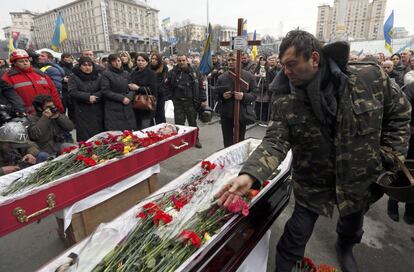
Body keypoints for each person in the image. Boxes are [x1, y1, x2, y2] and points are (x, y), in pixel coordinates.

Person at [215, 30, 411, 272]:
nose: (285, 71)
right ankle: (287, 263)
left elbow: (400, 113)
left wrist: (391, 154)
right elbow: (275, 141)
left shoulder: (368, 77)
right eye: (283, 65)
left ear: (314, 58)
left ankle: (345, 247)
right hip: (312, 183)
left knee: (352, 225)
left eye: (291, 64)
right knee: (295, 235)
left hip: (359, 179)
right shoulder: (286, 99)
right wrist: (249, 175)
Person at [387, 74, 414, 225]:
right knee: (401, 172)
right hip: (411, 139)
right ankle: (393, 203)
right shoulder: (411, 88)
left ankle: (411, 209)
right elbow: (402, 112)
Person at [2, 49, 64, 114]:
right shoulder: (8, 77)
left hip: (49, 113)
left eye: (26, 60)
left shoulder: (40, 74)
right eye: (21, 61)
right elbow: (7, 98)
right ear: (14, 63)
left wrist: (59, 108)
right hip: (27, 116)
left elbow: (54, 92)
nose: (25, 63)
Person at [216, 52, 257, 147]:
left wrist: (244, 96)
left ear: (239, 60)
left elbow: (255, 93)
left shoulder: (249, 76)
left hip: (241, 113)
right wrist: (223, 96)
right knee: (227, 140)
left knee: (240, 140)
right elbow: (216, 94)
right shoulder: (222, 77)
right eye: (229, 60)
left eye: (233, 60)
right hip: (226, 114)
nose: (230, 62)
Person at [164, 54, 206, 148]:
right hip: (178, 102)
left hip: (191, 101)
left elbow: (201, 86)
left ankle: (195, 139)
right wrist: (170, 96)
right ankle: (181, 140)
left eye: (183, 60)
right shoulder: (172, 72)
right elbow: (166, 85)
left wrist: (203, 99)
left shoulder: (195, 72)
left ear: (187, 60)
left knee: (192, 122)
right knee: (179, 123)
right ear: (177, 61)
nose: (181, 62)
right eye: (179, 61)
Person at [68, 57, 104, 141]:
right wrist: (87, 97)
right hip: (82, 110)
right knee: (87, 138)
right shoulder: (74, 76)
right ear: (80, 66)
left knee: (100, 136)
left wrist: (95, 96)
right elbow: (72, 91)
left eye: (90, 65)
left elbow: (104, 89)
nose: (87, 67)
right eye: (84, 65)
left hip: (98, 108)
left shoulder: (98, 75)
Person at [101, 54, 136, 131]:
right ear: (110, 63)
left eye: (118, 61)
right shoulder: (106, 74)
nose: (117, 63)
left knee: (129, 132)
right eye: (114, 61)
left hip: (127, 104)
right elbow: (105, 90)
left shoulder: (126, 73)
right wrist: (122, 98)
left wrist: (129, 97)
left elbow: (132, 88)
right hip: (113, 106)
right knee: (117, 132)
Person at [129, 53, 158, 130]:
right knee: (136, 129)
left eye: (143, 60)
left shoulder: (151, 74)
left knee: (145, 129)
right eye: (138, 60)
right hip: (135, 105)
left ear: (147, 62)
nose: (140, 62)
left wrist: (138, 88)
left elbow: (153, 89)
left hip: (146, 105)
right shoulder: (133, 73)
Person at [150, 52, 169, 124]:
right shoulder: (148, 67)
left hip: (160, 94)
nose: (153, 60)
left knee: (160, 114)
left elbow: (163, 81)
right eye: (152, 59)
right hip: (150, 94)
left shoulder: (164, 68)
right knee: (150, 114)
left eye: (156, 59)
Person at [253, 55, 271, 122]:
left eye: (263, 60)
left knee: (264, 104)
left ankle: (264, 118)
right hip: (258, 87)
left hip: (265, 88)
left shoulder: (268, 69)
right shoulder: (256, 68)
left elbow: (269, 78)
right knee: (257, 103)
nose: (262, 61)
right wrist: (257, 76)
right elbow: (253, 76)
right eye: (261, 60)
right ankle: (257, 117)